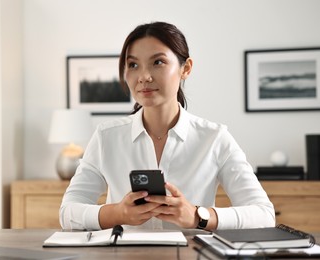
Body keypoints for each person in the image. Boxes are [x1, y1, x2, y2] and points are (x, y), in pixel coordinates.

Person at [60, 21, 275, 231]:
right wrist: (117, 213)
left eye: (158, 62)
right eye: (133, 65)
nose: (144, 77)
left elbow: (263, 215)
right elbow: (68, 213)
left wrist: (197, 216)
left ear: (186, 68)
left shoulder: (215, 138)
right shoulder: (107, 137)